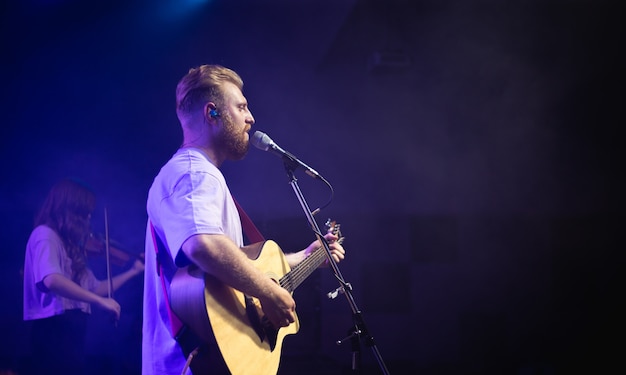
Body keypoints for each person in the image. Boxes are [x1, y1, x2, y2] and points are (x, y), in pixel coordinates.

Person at [142, 64, 346, 375]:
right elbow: (203, 246)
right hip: (193, 363)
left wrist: (303, 259)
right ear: (212, 113)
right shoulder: (194, 172)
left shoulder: (199, 174)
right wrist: (268, 291)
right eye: (241, 107)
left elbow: (229, 263)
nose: (250, 118)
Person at [22, 177, 145, 375]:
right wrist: (99, 301)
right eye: (85, 213)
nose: (89, 219)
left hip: (73, 328)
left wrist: (133, 271)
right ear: (70, 209)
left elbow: (96, 288)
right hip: (53, 328)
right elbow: (52, 279)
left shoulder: (69, 244)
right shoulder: (45, 235)